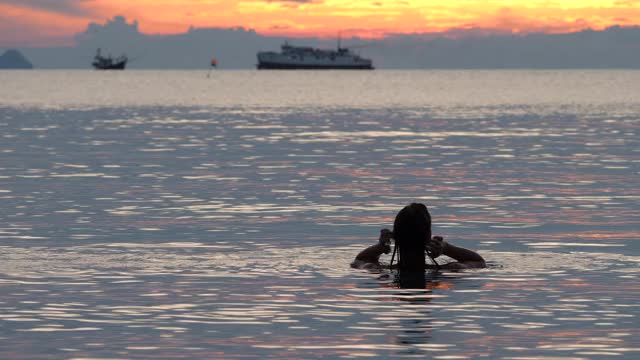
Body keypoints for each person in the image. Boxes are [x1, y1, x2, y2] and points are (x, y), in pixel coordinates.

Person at [351, 203, 485, 270]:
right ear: (429, 236)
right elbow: (479, 262)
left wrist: (380, 247)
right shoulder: (452, 268)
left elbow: (358, 261)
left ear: (394, 236)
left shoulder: (373, 268)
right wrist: (446, 248)